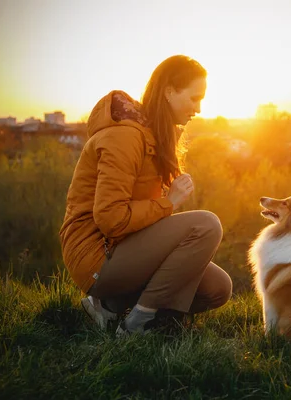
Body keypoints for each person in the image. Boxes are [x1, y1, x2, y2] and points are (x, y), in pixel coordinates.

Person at [59, 55, 232, 336]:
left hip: (124, 247)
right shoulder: (124, 138)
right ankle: (139, 324)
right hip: (96, 257)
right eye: (194, 98)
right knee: (206, 225)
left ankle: (110, 306)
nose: (198, 109)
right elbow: (111, 219)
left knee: (218, 289)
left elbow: (148, 221)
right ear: (169, 92)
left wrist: (164, 206)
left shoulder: (159, 138)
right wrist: (169, 203)